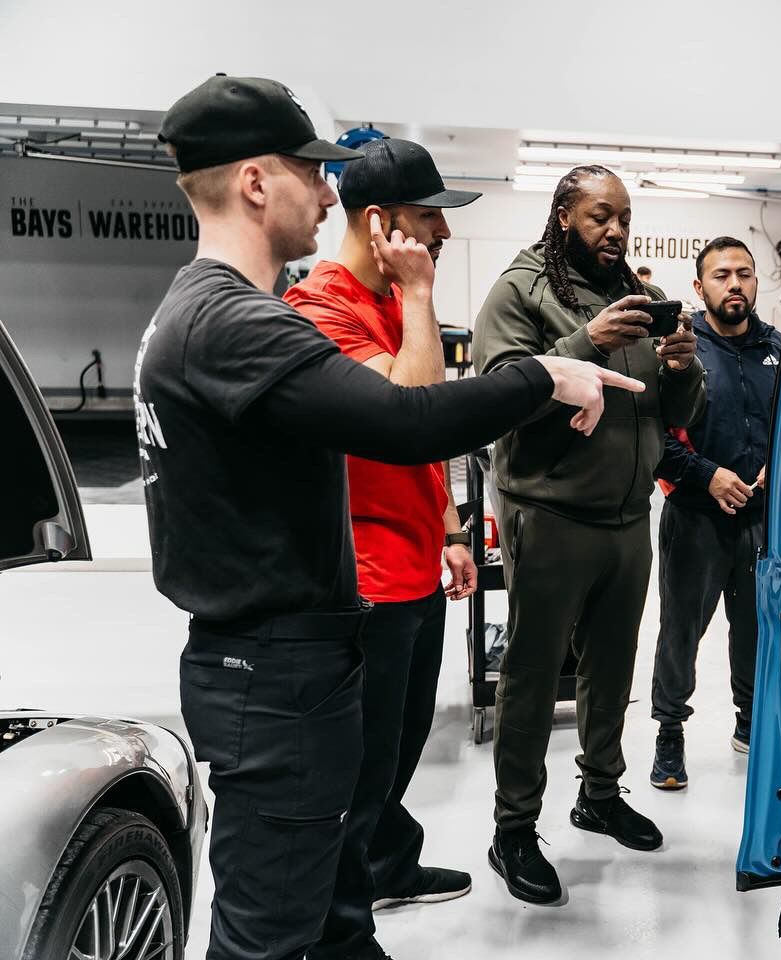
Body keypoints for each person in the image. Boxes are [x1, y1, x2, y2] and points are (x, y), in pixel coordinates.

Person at [139, 75, 641, 960]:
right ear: (256, 181)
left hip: (287, 650)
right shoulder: (238, 323)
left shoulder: (214, 314)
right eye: (312, 171)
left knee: (321, 881)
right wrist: (547, 374)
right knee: (267, 935)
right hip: (274, 662)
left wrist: (449, 525)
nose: (330, 191)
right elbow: (408, 421)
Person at [473, 165, 706, 905]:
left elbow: (671, 414)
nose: (616, 230)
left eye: (625, 217)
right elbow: (500, 390)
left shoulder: (628, 291)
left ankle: (598, 794)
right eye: (601, 216)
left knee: (612, 668)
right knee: (535, 677)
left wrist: (685, 368)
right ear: (565, 215)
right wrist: (586, 340)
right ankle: (513, 829)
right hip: (550, 512)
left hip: (627, 516)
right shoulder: (521, 289)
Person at [281, 138, 480, 959]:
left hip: (415, 568)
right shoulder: (321, 309)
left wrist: (454, 530)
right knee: (358, 781)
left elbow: (431, 444)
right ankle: (343, 938)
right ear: (381, 220)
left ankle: (388, 864)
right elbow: (409, 417)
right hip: (365, 584)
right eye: (430, 216)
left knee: (394, 757)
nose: (441, 231)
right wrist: (423, 293)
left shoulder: (400, 300)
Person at [649, 237, 781, 789]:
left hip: (761, 516)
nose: (735, 284)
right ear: (699, 288)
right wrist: (709, 475)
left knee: (757, 626)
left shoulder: (779, 348)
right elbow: (652, 435)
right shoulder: (678, 348)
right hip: (696, 515)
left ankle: (751, 724)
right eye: (722, 275)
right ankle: (670, 734)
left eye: (745, 274)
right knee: (682, 630)